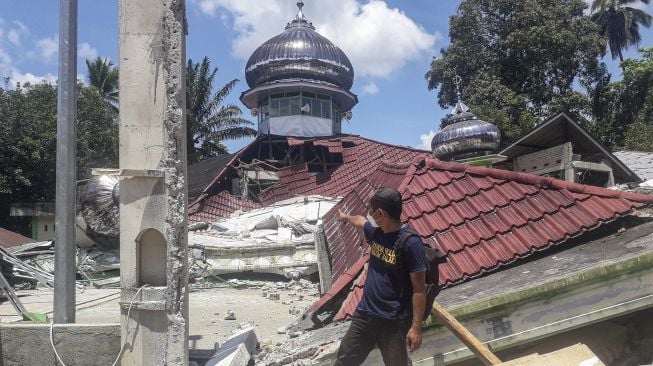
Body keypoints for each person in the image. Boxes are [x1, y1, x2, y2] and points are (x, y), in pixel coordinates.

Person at [335, 187, 427, 366]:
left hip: (393, 322)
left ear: (380, 213)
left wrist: (416, 327)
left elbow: (419, 289)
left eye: (370, 210)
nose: (368, 214)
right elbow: (360, 221)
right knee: (344, 361)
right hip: (365, 315)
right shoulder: (376, 233)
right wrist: (346, 218)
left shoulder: (410, 243)